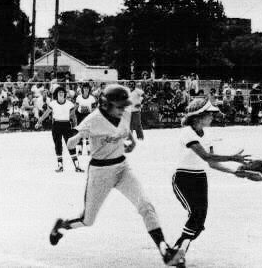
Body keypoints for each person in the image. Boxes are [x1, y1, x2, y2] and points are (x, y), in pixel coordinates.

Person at [49, 84, 184, 266]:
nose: (122, 109)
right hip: (100, 173)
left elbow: (126, 130)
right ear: (105, 105)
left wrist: (132, 142)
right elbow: (74, 140)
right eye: (118, 106)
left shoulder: (124, 112)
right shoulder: (93, 119)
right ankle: (61, 226)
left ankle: (165, 251)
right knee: (87, 220)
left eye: (123, 106)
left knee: (146, 206)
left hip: (122, 168)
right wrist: (75, 139)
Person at [171, 97, 262, 267]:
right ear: (199, 116)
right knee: (196, 216)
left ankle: (178, 252)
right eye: (211, 114)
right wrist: (233, 158)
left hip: (200, 179)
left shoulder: (208, 134)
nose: (213, 116)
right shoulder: (187, 133)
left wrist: (236, 171)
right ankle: (177, 252)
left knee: (199, 220)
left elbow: (212, 163)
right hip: (184, 179)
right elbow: (205, 156)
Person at [35, 86, 82, 173]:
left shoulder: (69, 104)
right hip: (56, 125)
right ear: (56, 94)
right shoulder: (53, 104)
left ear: (65, 94)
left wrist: (75, 127)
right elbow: (46, 114)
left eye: (62, 92)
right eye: (59, 92)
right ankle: (60, 165)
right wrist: (39, 121)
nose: (61, 93)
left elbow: (73, 116)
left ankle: (77, 165)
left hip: (67, 125)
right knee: (58, 145)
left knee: (70, 144)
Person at [74, 83, 96, 155]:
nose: (86, 89)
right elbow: (76, 108)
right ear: (82, 89)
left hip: (88, 116)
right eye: (84, 88)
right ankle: (80, 149)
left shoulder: (92, 98)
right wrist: (73, 116)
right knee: (80, 132)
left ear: (89, 89)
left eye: (87, 88)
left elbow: (93, 109)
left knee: (88, 132)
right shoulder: (79, 97)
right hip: (80, 115)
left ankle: (88, 148)